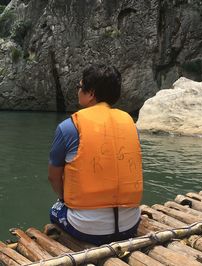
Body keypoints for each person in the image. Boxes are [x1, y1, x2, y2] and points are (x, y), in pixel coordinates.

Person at [48, 64, 143, 245]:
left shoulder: (69, 127)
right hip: (130, 223)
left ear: (90, 93)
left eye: (79, 86)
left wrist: (64, 199)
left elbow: (53, 177)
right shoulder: (130, 124)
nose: (78, 91)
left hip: (86, 228)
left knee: (55, 208)